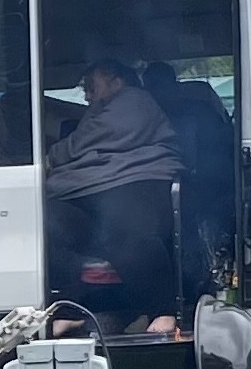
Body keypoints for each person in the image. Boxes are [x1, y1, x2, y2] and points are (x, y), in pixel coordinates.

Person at [44, 59, 184, 331]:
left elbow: (92, 140)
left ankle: (163, 311)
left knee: (127, 233)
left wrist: (51, 158)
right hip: (89, 185)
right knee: (51, 224)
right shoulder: (101, 108)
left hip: (137, 178)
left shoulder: (135, 100)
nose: (86, 95)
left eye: (91, 86)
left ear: (117, 81)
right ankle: (73, 307)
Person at [141, 60, 242, 290]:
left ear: (173, 85)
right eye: (151, 88)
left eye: (161, 86)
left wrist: (197, 184)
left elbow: (223, 158)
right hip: (157, 189)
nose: (157, 93)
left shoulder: (201, 113)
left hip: (207, 188)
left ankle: (208, 280)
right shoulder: (140, 119)